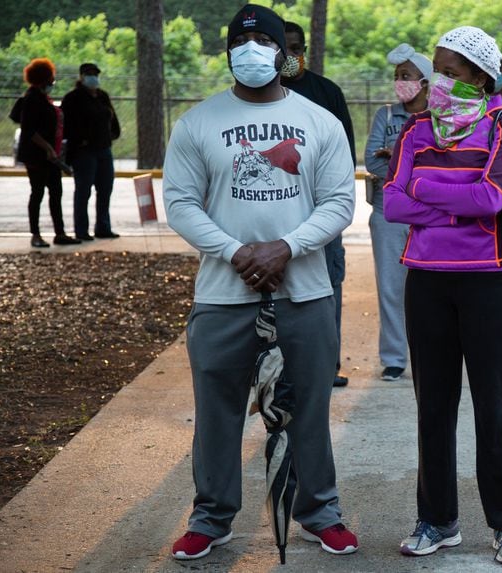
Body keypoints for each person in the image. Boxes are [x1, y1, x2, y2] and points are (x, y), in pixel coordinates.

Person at [163, 4, 358, 561]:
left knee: (310, 407)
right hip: (223, 294)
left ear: (284, 54)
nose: (251, 50)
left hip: (305, 293)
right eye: (240, 41)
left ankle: (321, 513)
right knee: (217, 410)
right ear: (228, 53)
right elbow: (179, 202)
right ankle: (211, 516)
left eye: (263, 41)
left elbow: (340, 202)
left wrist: (286, 248)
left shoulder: (318, 121)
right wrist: (236, 251)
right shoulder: (198, 122)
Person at [383, 26, 502, 565]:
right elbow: (392, 203)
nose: (439, 80)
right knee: (434, 406)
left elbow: (492, 197)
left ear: (481, 77)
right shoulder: (417, 130)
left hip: (493, 278)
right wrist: (450, 201)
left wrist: (425, 188)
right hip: (427, 278)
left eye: (451, 70)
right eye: (436, 69)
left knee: (496, 406)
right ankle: (437, 521)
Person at [281, 21, 355, 388]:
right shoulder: (259, 94)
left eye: (297, 48)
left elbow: (346, 158)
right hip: (275, 213)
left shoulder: (326, 92)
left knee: (326, 289)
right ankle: (269, 366)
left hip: (320, 216)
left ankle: (326, 366)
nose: (291, 57)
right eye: (285, 48)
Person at [364, 43, 431, 382]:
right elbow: (371, 161)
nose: (399, 82)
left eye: (406, 76)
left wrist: (398, 156)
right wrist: (416, 160)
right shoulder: (386, 116)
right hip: (387, 213)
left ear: (425, 81)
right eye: (396, 76)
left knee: (430, 288)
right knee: (391, 288)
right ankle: (393, 358)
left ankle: (430, 353)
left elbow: (445, 164)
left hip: (428, 214)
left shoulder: (440, 117)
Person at [16, 58, 80, 248]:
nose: (53, 81)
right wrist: (48, 148)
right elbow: (29, 130)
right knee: (37, 193)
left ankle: (59, 232)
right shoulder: (31, 99)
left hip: (51, 157)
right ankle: (35, 234)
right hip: (37, 156)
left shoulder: (44, 98)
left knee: (56, 192)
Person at [61, 62, 121, 241]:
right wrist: (80, 140)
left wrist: (111, 135)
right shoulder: (73, 98)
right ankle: (81, 230)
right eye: (89, 74)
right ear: (81, 76)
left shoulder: (102, 97)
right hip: (84, 152)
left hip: (103, 149)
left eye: (95, 74)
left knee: (105, 189)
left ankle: (103, 227)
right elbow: (67, 125)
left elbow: (112, 119)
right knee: (83, 191)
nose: (93, 77)